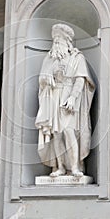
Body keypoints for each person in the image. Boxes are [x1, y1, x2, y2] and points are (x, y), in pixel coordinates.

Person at [35, 23, 95, 177]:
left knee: (69, 132)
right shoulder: (50, 58)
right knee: (57, 134)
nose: (55, 44)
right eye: (54, 41)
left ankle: (75, 167)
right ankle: (60, 167)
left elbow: (81, 80)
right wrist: (48, 77)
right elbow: (41, 80)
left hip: (68, 97)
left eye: (58, 41)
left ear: (67, 42)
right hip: (53, 97)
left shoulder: (77, 57)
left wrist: (73, 98)